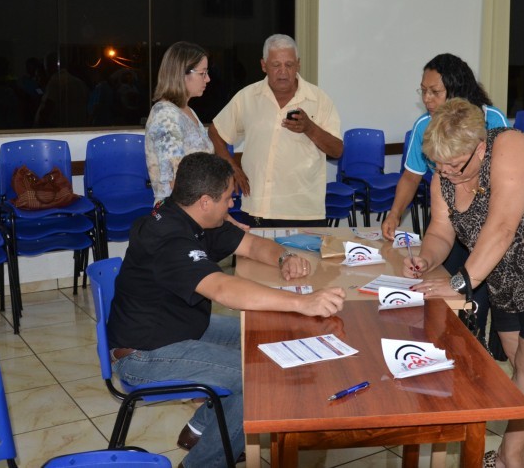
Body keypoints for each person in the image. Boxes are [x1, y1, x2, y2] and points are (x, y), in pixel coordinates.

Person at [107, 152, 346, 468]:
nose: (231, 205)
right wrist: (302, 303)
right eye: (228, 199)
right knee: (258, 380)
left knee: (266, 333)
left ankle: (202, 427)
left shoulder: (194, 216)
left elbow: (251, 244)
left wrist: (283, 258)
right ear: (205, 201)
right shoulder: (167, 236)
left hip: (181, 330)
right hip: (145, 354)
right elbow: (222, 289)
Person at [403, 99, 524, 468]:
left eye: (452, 165)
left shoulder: (510, 147)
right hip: (504, 276)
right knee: (523, 368)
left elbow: (502, 227)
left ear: (479, 148)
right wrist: (427, 258)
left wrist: (461, 282)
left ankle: (510, 455)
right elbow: (441, 230)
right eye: (437, 165)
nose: (444, 173)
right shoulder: (446, 171)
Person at [381, 53, 508, 341]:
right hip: (450, 223)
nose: (427, 98)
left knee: (478, 299)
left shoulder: (493, 120)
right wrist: (394, 214)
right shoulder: (424, 125)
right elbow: (412, 176)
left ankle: (475, 346)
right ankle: (446, 346)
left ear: (456, 89)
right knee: (445, 296)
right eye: (423, 90)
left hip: (491, 228)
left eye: (434, 91)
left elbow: (507, 192)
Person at [209, 34, 343, 227]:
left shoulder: (319, 99)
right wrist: (231, 166)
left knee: (308, 259)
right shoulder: (247, 97)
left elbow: (337, 150)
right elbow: (215, 131)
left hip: (304, 212)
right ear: (264, 65)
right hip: (257, 209)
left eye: (289, 65)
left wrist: (309, 128)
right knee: (253, 259)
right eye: (276, 65)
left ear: (298, 65)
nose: (283, 72)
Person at [145, 42, 215, 203]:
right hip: (179, 214)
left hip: (197, 208)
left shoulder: (187, 111)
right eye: (202, 73)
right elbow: (175, 181)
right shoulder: (166, 115)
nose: (208, 79)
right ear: (181, 74)